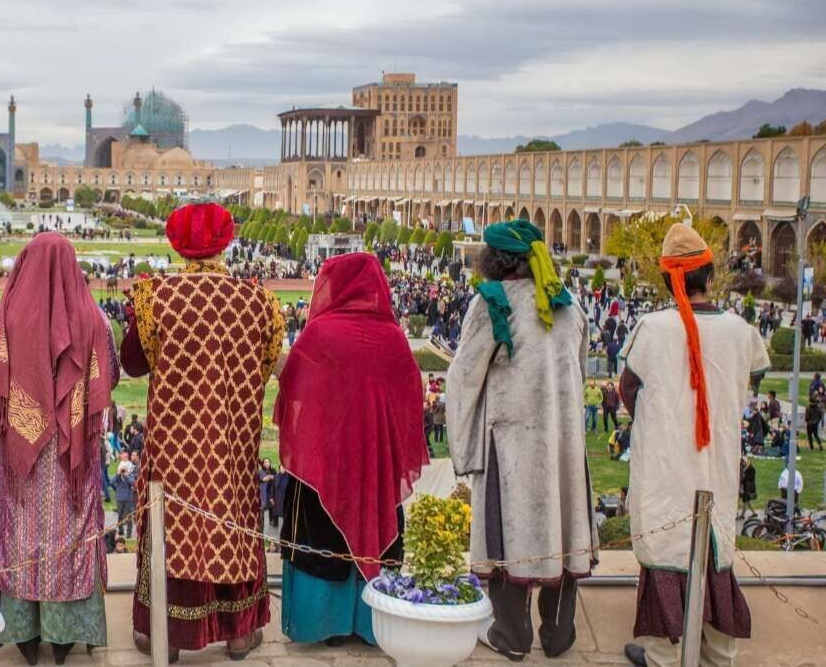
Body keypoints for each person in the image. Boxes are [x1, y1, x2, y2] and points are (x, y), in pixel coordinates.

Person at [120, 202, 283, 660]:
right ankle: (238, 633)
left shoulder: (158, 297)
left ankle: (166, 635)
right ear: (226, 241)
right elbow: (268, 363)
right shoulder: (258, 300)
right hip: (233, 444)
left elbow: (133, 364)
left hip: (176, 448)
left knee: (175, 528)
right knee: (232, 523)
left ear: (177, 244)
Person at [619, 223, 770, 667]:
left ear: (669, 279)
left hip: (668, 460)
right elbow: (749, 380)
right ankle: (718, 649)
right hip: (717, 459)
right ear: (709, 274)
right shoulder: (740, 330)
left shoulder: (652, 328)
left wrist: (667, 419)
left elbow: (629, 390)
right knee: (715, 546)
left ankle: (664, 652)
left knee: (669, 546)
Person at [447, 220, 597, 662]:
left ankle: (511, 636)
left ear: (494, 259)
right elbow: (581, 373)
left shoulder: (492, 304)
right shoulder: (569, 306)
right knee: (563, 523)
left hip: (510, 439)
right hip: (563, 439)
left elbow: (464, 377)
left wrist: (465, 442)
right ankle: (558, 634)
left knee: (506, 532)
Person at [275, 252, 427, 646]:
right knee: (376, 530)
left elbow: (293, 389)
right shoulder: (393, 338)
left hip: (326, 465)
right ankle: (370, 623)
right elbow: (412, 401)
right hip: (375, 468)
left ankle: (325, 623)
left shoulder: (320, 335)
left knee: (323, 538)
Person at [0, 233, 118, 664]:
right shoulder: (93, 318)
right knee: (70, 534)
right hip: (70, 452)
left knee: (23, 534)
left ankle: (23, 633)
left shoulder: (10, 314)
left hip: (24, 455)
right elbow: (109, 377)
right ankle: (64, 636)